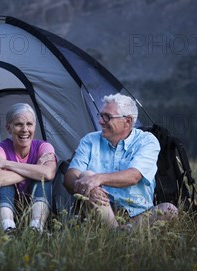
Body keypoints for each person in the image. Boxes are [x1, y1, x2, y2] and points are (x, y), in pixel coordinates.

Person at [64, 93, 178, 229]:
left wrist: (98, 179)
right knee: (86, 175)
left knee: (170, 210)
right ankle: (116, 233)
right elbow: (69, 177)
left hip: (139, 215)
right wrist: (87, 187)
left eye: (107, 117)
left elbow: (133, 176)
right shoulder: (90, 140)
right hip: (97, 212)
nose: (101, 121)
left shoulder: (147, 141)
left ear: (128, 121)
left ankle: (117, 232)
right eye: (101, 116)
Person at [0, 103, 57, 233]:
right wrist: (35, 170)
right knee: (4, 184)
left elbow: (49, 174)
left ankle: (36, 228)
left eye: (29, 124)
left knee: (42, 181)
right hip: (7, 206)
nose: (25, 129)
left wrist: (6, 164)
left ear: (35, 126)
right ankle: (8, 228)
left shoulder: (44, 147)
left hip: (36, 205)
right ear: (9, 128)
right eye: (18, 124)